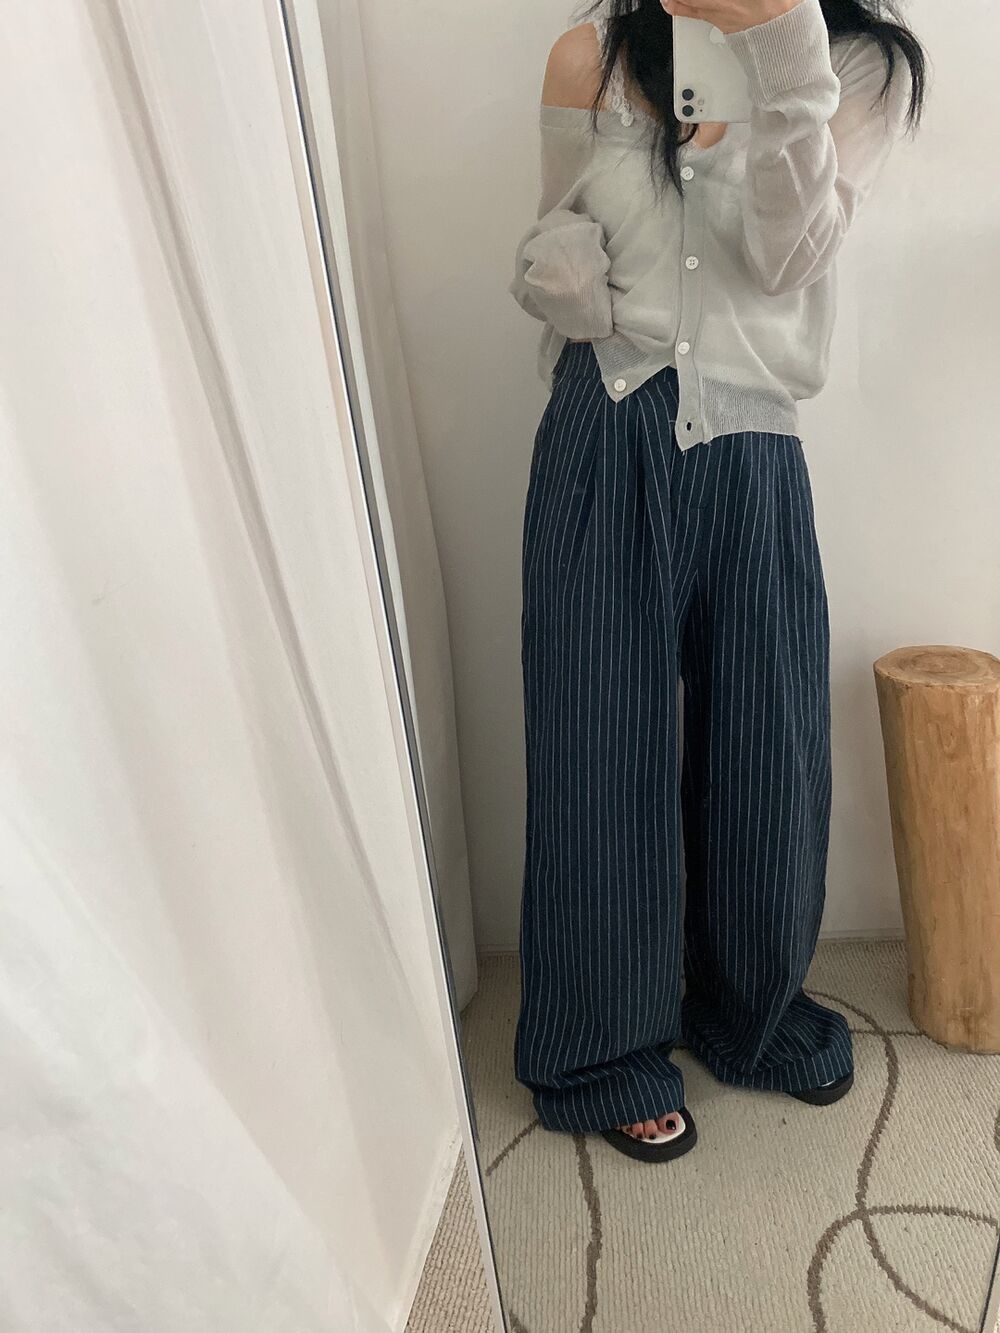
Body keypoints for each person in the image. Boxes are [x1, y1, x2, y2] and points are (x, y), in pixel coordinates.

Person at [508, 0, 927, 1163]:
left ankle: (750, 1007)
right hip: (603, 428)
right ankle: (602, 1046)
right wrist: (552, 268)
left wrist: (782, 53)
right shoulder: (589, 55)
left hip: (754, 448)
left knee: (767, 746)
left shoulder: (853, 65)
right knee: (597, 744)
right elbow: (554, 227)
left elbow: (785, 257)